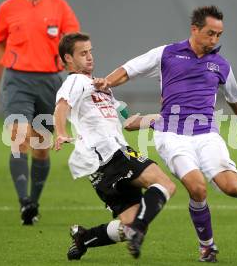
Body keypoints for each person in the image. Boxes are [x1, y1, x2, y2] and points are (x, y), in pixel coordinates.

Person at [95, 5, 237, 262]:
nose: (215, 40)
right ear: (194, 29)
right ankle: (207, 247)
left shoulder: (220, 64)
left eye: (219, 35)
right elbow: (129, 69)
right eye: (210, 33)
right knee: (197, 188)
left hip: (207, 134)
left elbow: (236, 98)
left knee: (231, 186)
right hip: (172, 135)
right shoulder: (167, 53)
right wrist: (106, 82)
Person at [54, 32, 176, 260]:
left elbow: (128, 122)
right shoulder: (75, 81)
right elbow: (62, 106)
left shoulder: (102, 87)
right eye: (83, 53)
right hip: (112, 154)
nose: (90, 57)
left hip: (100, 167)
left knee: (129, 224)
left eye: (90, 51)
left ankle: (84, 238)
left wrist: (161, 119)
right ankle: (137, 230)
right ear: (68, 59)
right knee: (165, 184)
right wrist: (61, 133)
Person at [0, 0, 80, 225]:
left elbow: (73, 44)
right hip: (17, 80)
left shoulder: (59, 6)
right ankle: (24, 201)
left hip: (50, 81)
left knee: (41, 146)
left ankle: (33, 204)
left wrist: (74, 77)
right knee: (19, 136)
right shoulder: (7, 7)